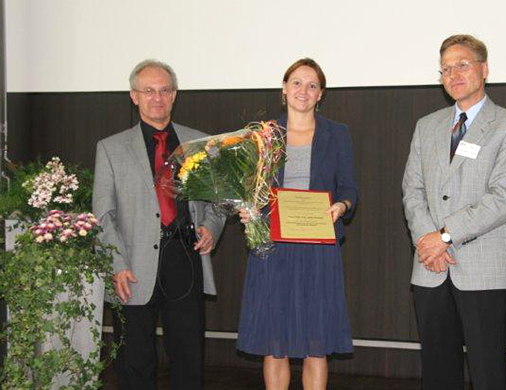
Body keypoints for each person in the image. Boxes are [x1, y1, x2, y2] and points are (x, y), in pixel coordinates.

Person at [402, 34, 506, 390]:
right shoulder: (426, 126)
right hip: (430, 268)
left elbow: (502, 198)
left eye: (462, 64)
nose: (453, 74)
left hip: (482, 267)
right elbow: (412, 191)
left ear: (484, 69)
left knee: (488, 373)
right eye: (445, 68)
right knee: (438, 372)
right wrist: (427, 242)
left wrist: (443, 236)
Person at [92, 59, 225, 390]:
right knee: (135, 359)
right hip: (132, 266)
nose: (157, 97)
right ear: (134, 96)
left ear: (175, 94)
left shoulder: (201, 143)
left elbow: (221, 201)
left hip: (185, 256)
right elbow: (103, 215)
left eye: (164, 90)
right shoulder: (110, 148)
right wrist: (116, 264)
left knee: (189, 356)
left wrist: (211, 226)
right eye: (148, 90)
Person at [237, 58, 358, 390]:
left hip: (318, 247)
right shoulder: (263, 135)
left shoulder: (338, 134)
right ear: (283, 89)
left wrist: (341, 205)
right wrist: (247, 211)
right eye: (296, 83)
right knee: (274, 342)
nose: (303, 90)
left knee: (315, 343)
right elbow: (249, 190)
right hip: (273, 248)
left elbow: (349, 189)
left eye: (312, 85)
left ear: (321, 94)